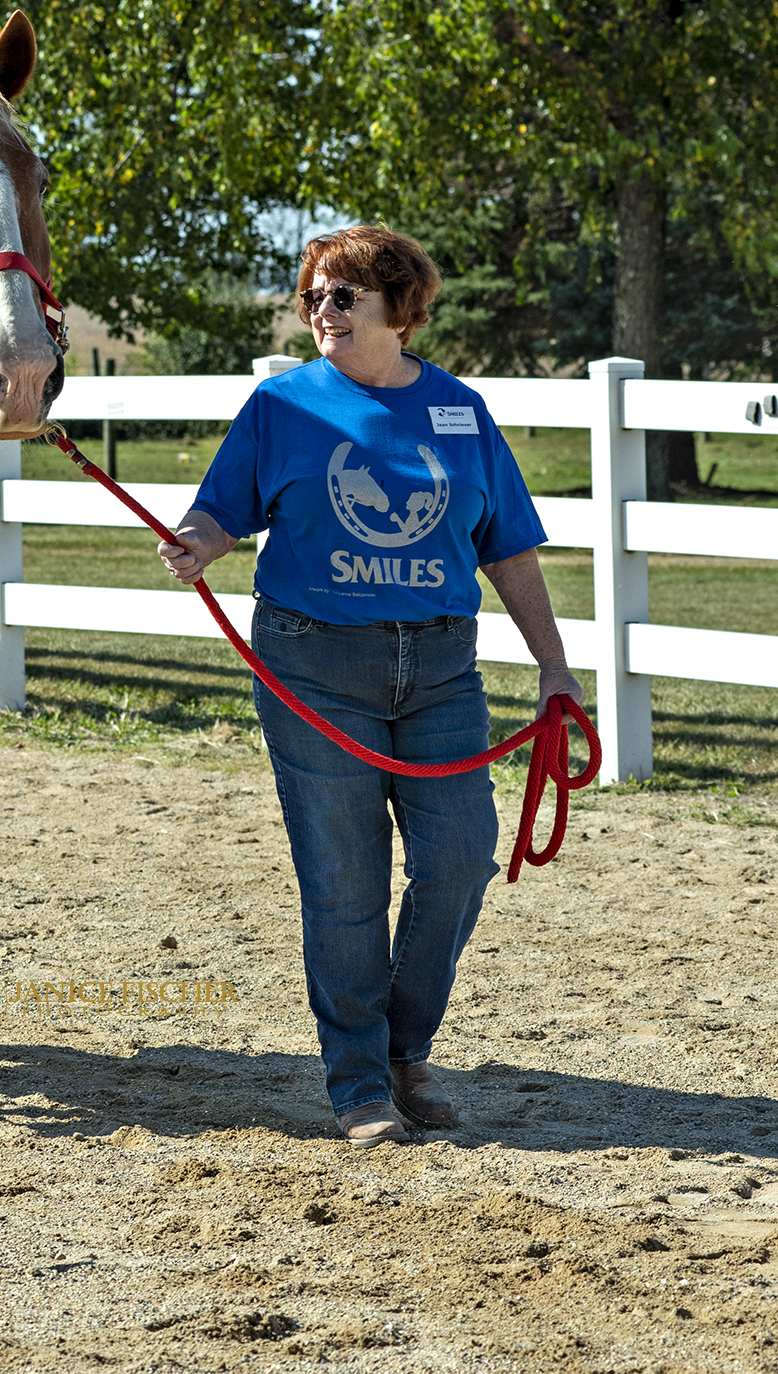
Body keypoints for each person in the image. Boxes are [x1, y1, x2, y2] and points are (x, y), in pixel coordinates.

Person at [157, 226, 582, 1149]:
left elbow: (506, 544)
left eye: (340, 296)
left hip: (438, 667)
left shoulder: (460, 413)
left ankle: (402, 1045)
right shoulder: (282, 407)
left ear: (398, 305)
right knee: (346, 879)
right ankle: (360, 1083)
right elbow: (224, 506)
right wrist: (196, 543)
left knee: (463, 855)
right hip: (313, 665)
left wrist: (553, 667)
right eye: (312, 297)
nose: (321, 312)